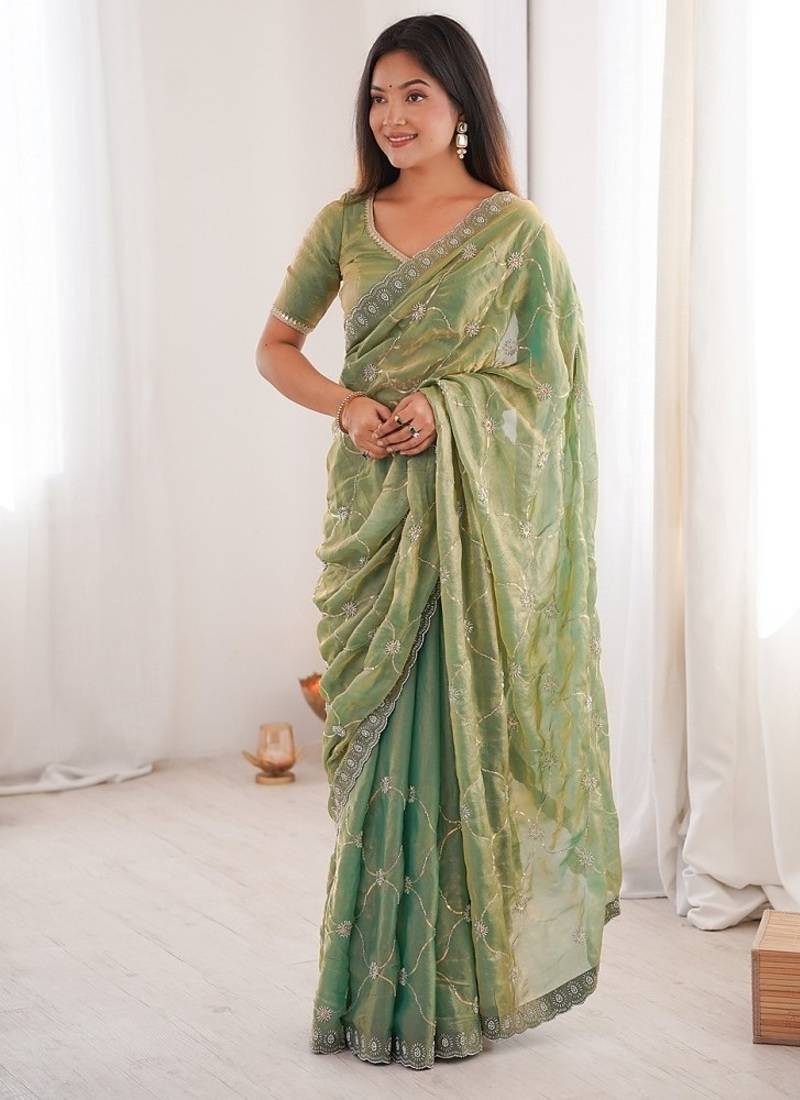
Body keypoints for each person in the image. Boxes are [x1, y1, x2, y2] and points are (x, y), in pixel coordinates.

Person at [256, 13, 622, 1072]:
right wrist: (348, 407)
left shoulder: (515, 233)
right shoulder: (344, 223)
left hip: (472, 534)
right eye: (379, 97)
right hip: (377, 519)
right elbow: (276, 346)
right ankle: (369, 991)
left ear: (461, 103)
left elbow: (550, 388)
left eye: (415, 93)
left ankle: (457, 992)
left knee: (457, 751)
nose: (393, 114)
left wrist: (447, 406)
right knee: (382, 761)